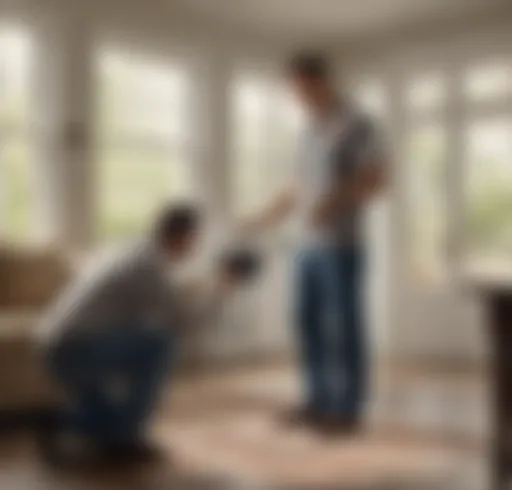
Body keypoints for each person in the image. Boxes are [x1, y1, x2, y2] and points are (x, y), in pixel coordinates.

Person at [245, 52, 387, 431]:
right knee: (306, 323)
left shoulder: (358, 124)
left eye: (304, 88)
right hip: (305, 246)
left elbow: (376, 179)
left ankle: (347, 409)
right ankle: (316, 400)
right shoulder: (308, 130)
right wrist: (265, 217)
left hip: (342, 246)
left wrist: (334, 201)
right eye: (294, 91)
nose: (299, 98)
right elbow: (297, 187)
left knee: (343, 327)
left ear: (323, 81)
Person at [38, 204, 239, 464]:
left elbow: (157, 301)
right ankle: (127, 440)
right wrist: (221, 292)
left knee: (111, 412)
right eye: (196, 239)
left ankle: (65, 422)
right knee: (159, 344)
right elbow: (182, 322)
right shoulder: (149, 267)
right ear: (185, 237)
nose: (196, 247)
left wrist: (202, 287)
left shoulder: (132, 252)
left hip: (55, 345)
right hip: (73, 351)